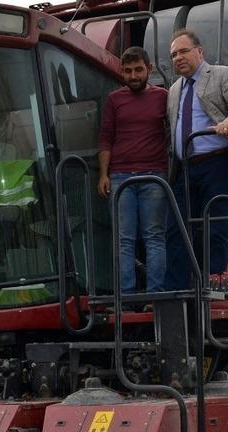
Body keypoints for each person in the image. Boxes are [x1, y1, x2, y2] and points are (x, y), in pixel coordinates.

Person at [164, 29, 228, 290]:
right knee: (176, 228)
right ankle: (177, 288)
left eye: (183, 51)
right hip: (185, 168)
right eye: (173, 55)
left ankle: (213, 280)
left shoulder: (221, 74)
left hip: (218, 162)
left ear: (200, 52)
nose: (178, 58)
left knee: (216, 223)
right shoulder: (173, 90)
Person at [97, 46, 169, 295]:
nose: (133, 75)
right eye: (127, 71)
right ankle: (125, 297)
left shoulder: (163, 97)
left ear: (149, 69)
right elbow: (106, 138)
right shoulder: (114, 99)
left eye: (138, 70)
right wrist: (103, 174)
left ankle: (155, 295)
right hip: (119, 177)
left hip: (154, 176)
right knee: (124, 240)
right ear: (122, 72)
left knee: (154, 238)